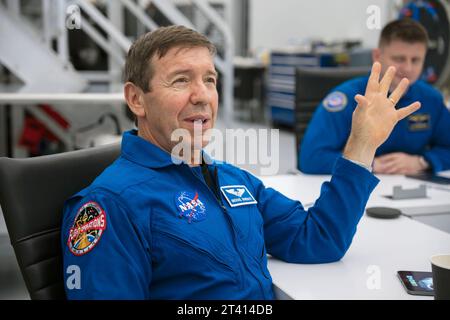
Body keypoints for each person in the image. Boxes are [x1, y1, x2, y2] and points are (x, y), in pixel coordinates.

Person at [61, 25, 420, 299]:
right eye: (181, 80)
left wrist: (361, 144)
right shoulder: (111, 206)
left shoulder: (232, 180)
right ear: (136, 99)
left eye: (210, 80)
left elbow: (318, 239)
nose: (202, 96)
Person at [299, 19, 450, 175]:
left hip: (410, 191)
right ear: (377, 56)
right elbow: (311, 158)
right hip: (354, 188)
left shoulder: (431, 99)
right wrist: (368, 164)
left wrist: (422, 162)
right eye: (399, 59)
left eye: (416, 60)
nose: (408, 68)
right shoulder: (348, 98)